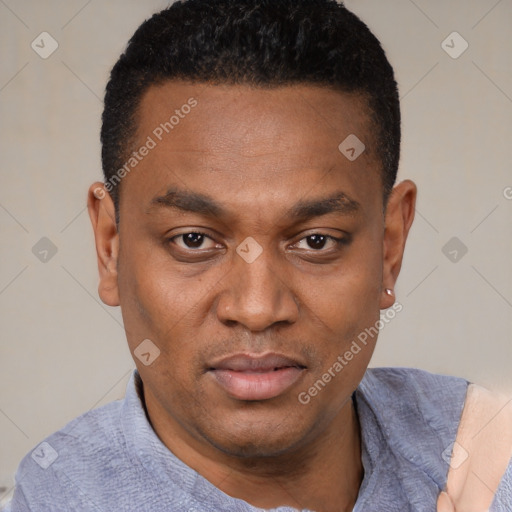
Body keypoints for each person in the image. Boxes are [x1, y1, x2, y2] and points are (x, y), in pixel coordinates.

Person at [7, 0, 512, 510]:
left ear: (390, 245)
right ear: (110, 245)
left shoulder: (484, 456)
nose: (256, 308)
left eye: (317, 241)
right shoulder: (55, 495)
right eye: (193, 240)